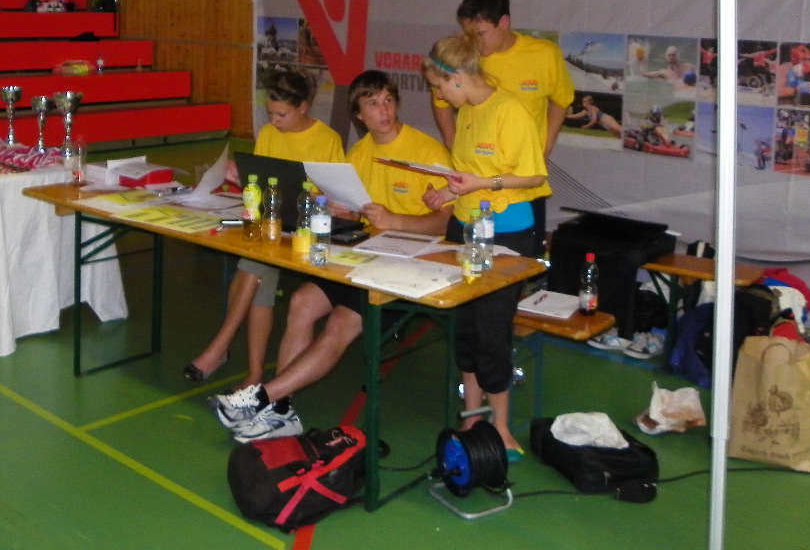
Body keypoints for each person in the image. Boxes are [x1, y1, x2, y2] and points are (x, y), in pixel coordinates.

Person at [208, 71, 451, 443]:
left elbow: (446, 221)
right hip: (365, 254)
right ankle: (281, 411)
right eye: (373, 104)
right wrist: (343, 211)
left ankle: (263, 399)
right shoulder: (358, 155)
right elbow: (352, 213)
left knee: (339, 323)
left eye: (389, 101)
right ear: (359, 115)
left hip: (411, 263)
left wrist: (398, 220)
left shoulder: (428, 152)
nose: (384, 111)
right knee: (302, 302)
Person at [421, 32, 547, 459]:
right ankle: (472, 417)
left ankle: (502, 427)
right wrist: (448, 192)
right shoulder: (468, 112)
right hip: (464, 228)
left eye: (440, 87)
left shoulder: (510, 111)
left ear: (459, 76)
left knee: (493, 331)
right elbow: (467, 174)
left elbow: (534, 176)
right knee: (467, 328)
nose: (439, 96)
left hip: (507, 233)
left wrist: (481, 183)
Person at [184, 70, 343, 387]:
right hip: (273, 222)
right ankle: (253, 371)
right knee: (256, 273)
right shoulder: (269, 133)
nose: (274, 120)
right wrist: (242, 179)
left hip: (308, 228)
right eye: (270, 113)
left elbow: (336, 197)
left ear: (303, 107)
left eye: (281, 114)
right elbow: (264, 183)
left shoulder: (327, 140)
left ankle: (221, 346)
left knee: (251, 268)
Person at [432, 0, 573, 234]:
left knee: (521, 244)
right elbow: (441, 101)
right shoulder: (467, 62)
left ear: (504, 22)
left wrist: (545, 146)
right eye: (468, 35)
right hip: (477, 186)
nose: (474, 43)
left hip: (522, 181)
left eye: (481, 33)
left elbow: (562, 101)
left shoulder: (543, 54)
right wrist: (456, 147)